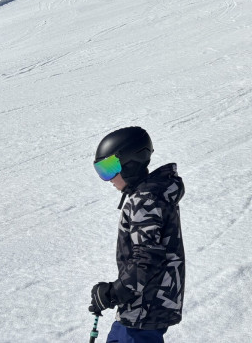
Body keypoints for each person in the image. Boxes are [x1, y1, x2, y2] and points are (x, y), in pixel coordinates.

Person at [89, 126, 185, 343]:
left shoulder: (146, 201)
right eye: (102, 170)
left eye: (110, 169)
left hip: (144, 309)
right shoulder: (151, 195)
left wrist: (114, 292)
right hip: (140, 306)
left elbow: (147, 258)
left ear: (130, 163)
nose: (108, 178)